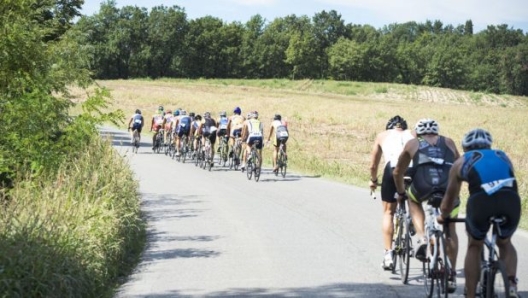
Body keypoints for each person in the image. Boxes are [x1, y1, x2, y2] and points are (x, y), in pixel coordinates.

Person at [438, 128, 521, 298]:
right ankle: (511, 285)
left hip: (482, 201)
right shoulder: (502, 156)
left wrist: (443, 216)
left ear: (465, 147)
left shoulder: (461, 162)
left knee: (475, 245)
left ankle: (470, 293)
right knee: (505, 243)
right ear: (489, 145)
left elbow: (449, 199)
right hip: (511, 200)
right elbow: (512, 181)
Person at [393, 118, 460, 292]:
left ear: (418, 132)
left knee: (413, 200)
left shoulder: (412, 143)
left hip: (423, 184)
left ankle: (422, 237)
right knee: (450, 229)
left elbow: (398, 171)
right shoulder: (449, 142)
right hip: (447, 187)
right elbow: (460, 165)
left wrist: (401, 191)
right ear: (436, 132)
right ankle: (451, 273)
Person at [368, 115, 414, 270]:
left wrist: (373, 181)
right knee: (415, 202)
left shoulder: (382, 136)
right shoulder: (413, 134)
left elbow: (373, 165)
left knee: (389, 212)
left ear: (389, 127)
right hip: (413, 169)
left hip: (393, 168)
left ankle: (388, 255)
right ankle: (413, 221)